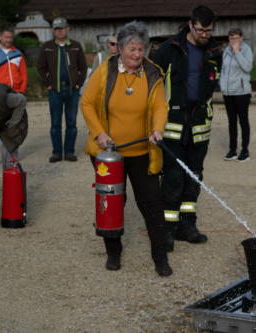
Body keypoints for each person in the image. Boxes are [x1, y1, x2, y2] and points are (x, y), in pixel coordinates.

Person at [81, 21, 172, 276]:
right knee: (112, 203)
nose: (137, 54)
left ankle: (160, 257)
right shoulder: (104, 70)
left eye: (141, 49)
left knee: (152, 204)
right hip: (109, 155)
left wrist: (158, 130)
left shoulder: (153, 73)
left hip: (143, 153)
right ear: (119, 48)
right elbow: (86, 104)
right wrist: (100, 134)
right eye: (132, 48)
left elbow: (160, 107)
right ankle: (113, 252)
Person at [153, 5, 222, 252]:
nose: (205, 35)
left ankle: (187, 225)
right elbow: (151, 82)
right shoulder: (169, 49)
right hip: (173, 125)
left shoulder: (215, 51)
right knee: (172, 177)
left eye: (209, 31)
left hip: (200, 125)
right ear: (190, 25)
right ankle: (167, 230)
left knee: (194, 176)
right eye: (201, 30)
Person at [37, 17, 87, 163]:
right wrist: (47, 84)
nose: (60, 31)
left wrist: (78, 84)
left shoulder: (76, 46)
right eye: (57, 29)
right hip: (55, 90)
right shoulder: (46, 46)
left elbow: (83, 67)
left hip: (72, 90)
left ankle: (69, 152)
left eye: (62, 28)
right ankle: (57, 152)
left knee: (71, 122)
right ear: (53, 30)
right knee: (55, 123)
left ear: (67, 29)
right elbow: (40, 67)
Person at [0, 26, 28, 168]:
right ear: (0, 37)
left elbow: (24, 74)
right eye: (6, 37)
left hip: (15, 96)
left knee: (13, 127)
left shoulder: (18, 53)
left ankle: (10, 165)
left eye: (11, 37)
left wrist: (21, 92)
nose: (9, 40)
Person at [220, 28, 253, 162]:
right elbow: (223, 69)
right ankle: (232, 150)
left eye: (235, 38)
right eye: (231, 38)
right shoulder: (226, 51)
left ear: (241, 38)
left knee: (243, 121)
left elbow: (247, 67)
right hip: (228, 93)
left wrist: (237, 53)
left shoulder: (246, 50)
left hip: (242, 92)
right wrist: (222, 85)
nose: (233, 41)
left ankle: (245, 151)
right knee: (231, 122)